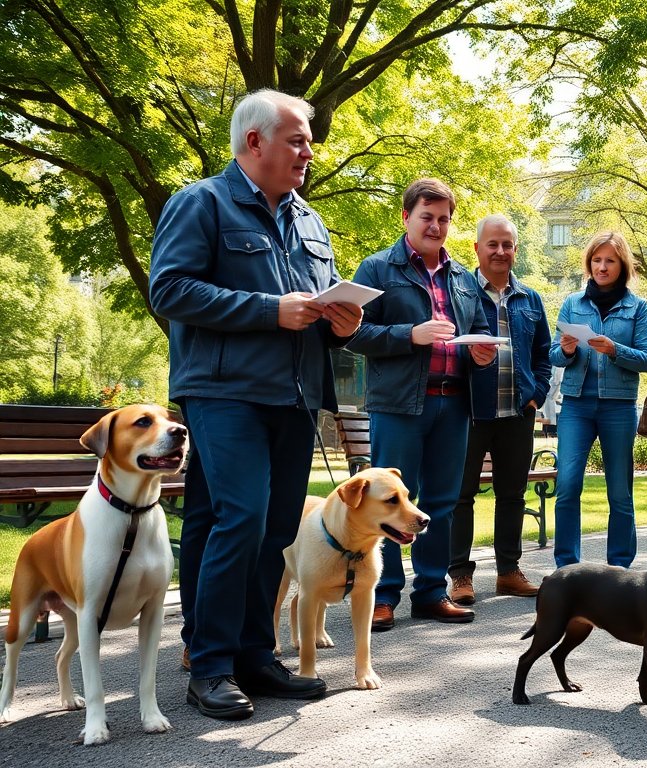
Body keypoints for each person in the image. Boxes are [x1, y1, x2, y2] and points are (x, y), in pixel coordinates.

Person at [149, 89, 363, 718]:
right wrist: (270, 311)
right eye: (297, 138)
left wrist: (339, 323)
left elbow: (316, 311)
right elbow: (170, 289)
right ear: (255, 143)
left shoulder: (309, 220)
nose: (309, 150)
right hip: (223, 393)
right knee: (238, 519)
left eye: (309, 140)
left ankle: (253, 657)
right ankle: (208, 665)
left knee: (270, 530)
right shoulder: (201, 203)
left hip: (294, 397)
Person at [347, 178, 499, 631]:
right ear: (406, 217)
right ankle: (383, 594)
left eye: (444, 219)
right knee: (390, 503)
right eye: (427, 217)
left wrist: (481, 355)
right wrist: (407, 335)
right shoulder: (376, 270)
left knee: (443, 501)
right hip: (399, 405)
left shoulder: (464, 280)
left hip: (454, 403)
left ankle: (431, 592)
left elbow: (473, 337)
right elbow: (350, 333)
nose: (436, 226)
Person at [446, 215, 553, 606]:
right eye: (492, 244)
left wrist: (536, 394)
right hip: (471, 411)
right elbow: (449, 348)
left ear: (515, 250)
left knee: (512, 495)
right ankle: (459, 576)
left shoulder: (530, 299)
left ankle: (508, 571)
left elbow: (543, 353)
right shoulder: (461, 293)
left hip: (517, 413)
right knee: (461, 496)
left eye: (507, 245)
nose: (500, 251)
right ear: (477, 248)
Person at [550, 232, 647, 568]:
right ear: (589, 263)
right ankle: (567, 567)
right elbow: (554, 354)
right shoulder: (572, 304)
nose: (602, 266)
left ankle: (620, 568)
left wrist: (615, 350)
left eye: (610, 260)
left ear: (622, 264)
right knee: (567, 486)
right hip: (576, 405)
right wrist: (566, 350)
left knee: (620, 493)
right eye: (597, 260)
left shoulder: (636, 307)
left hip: (619, 407)